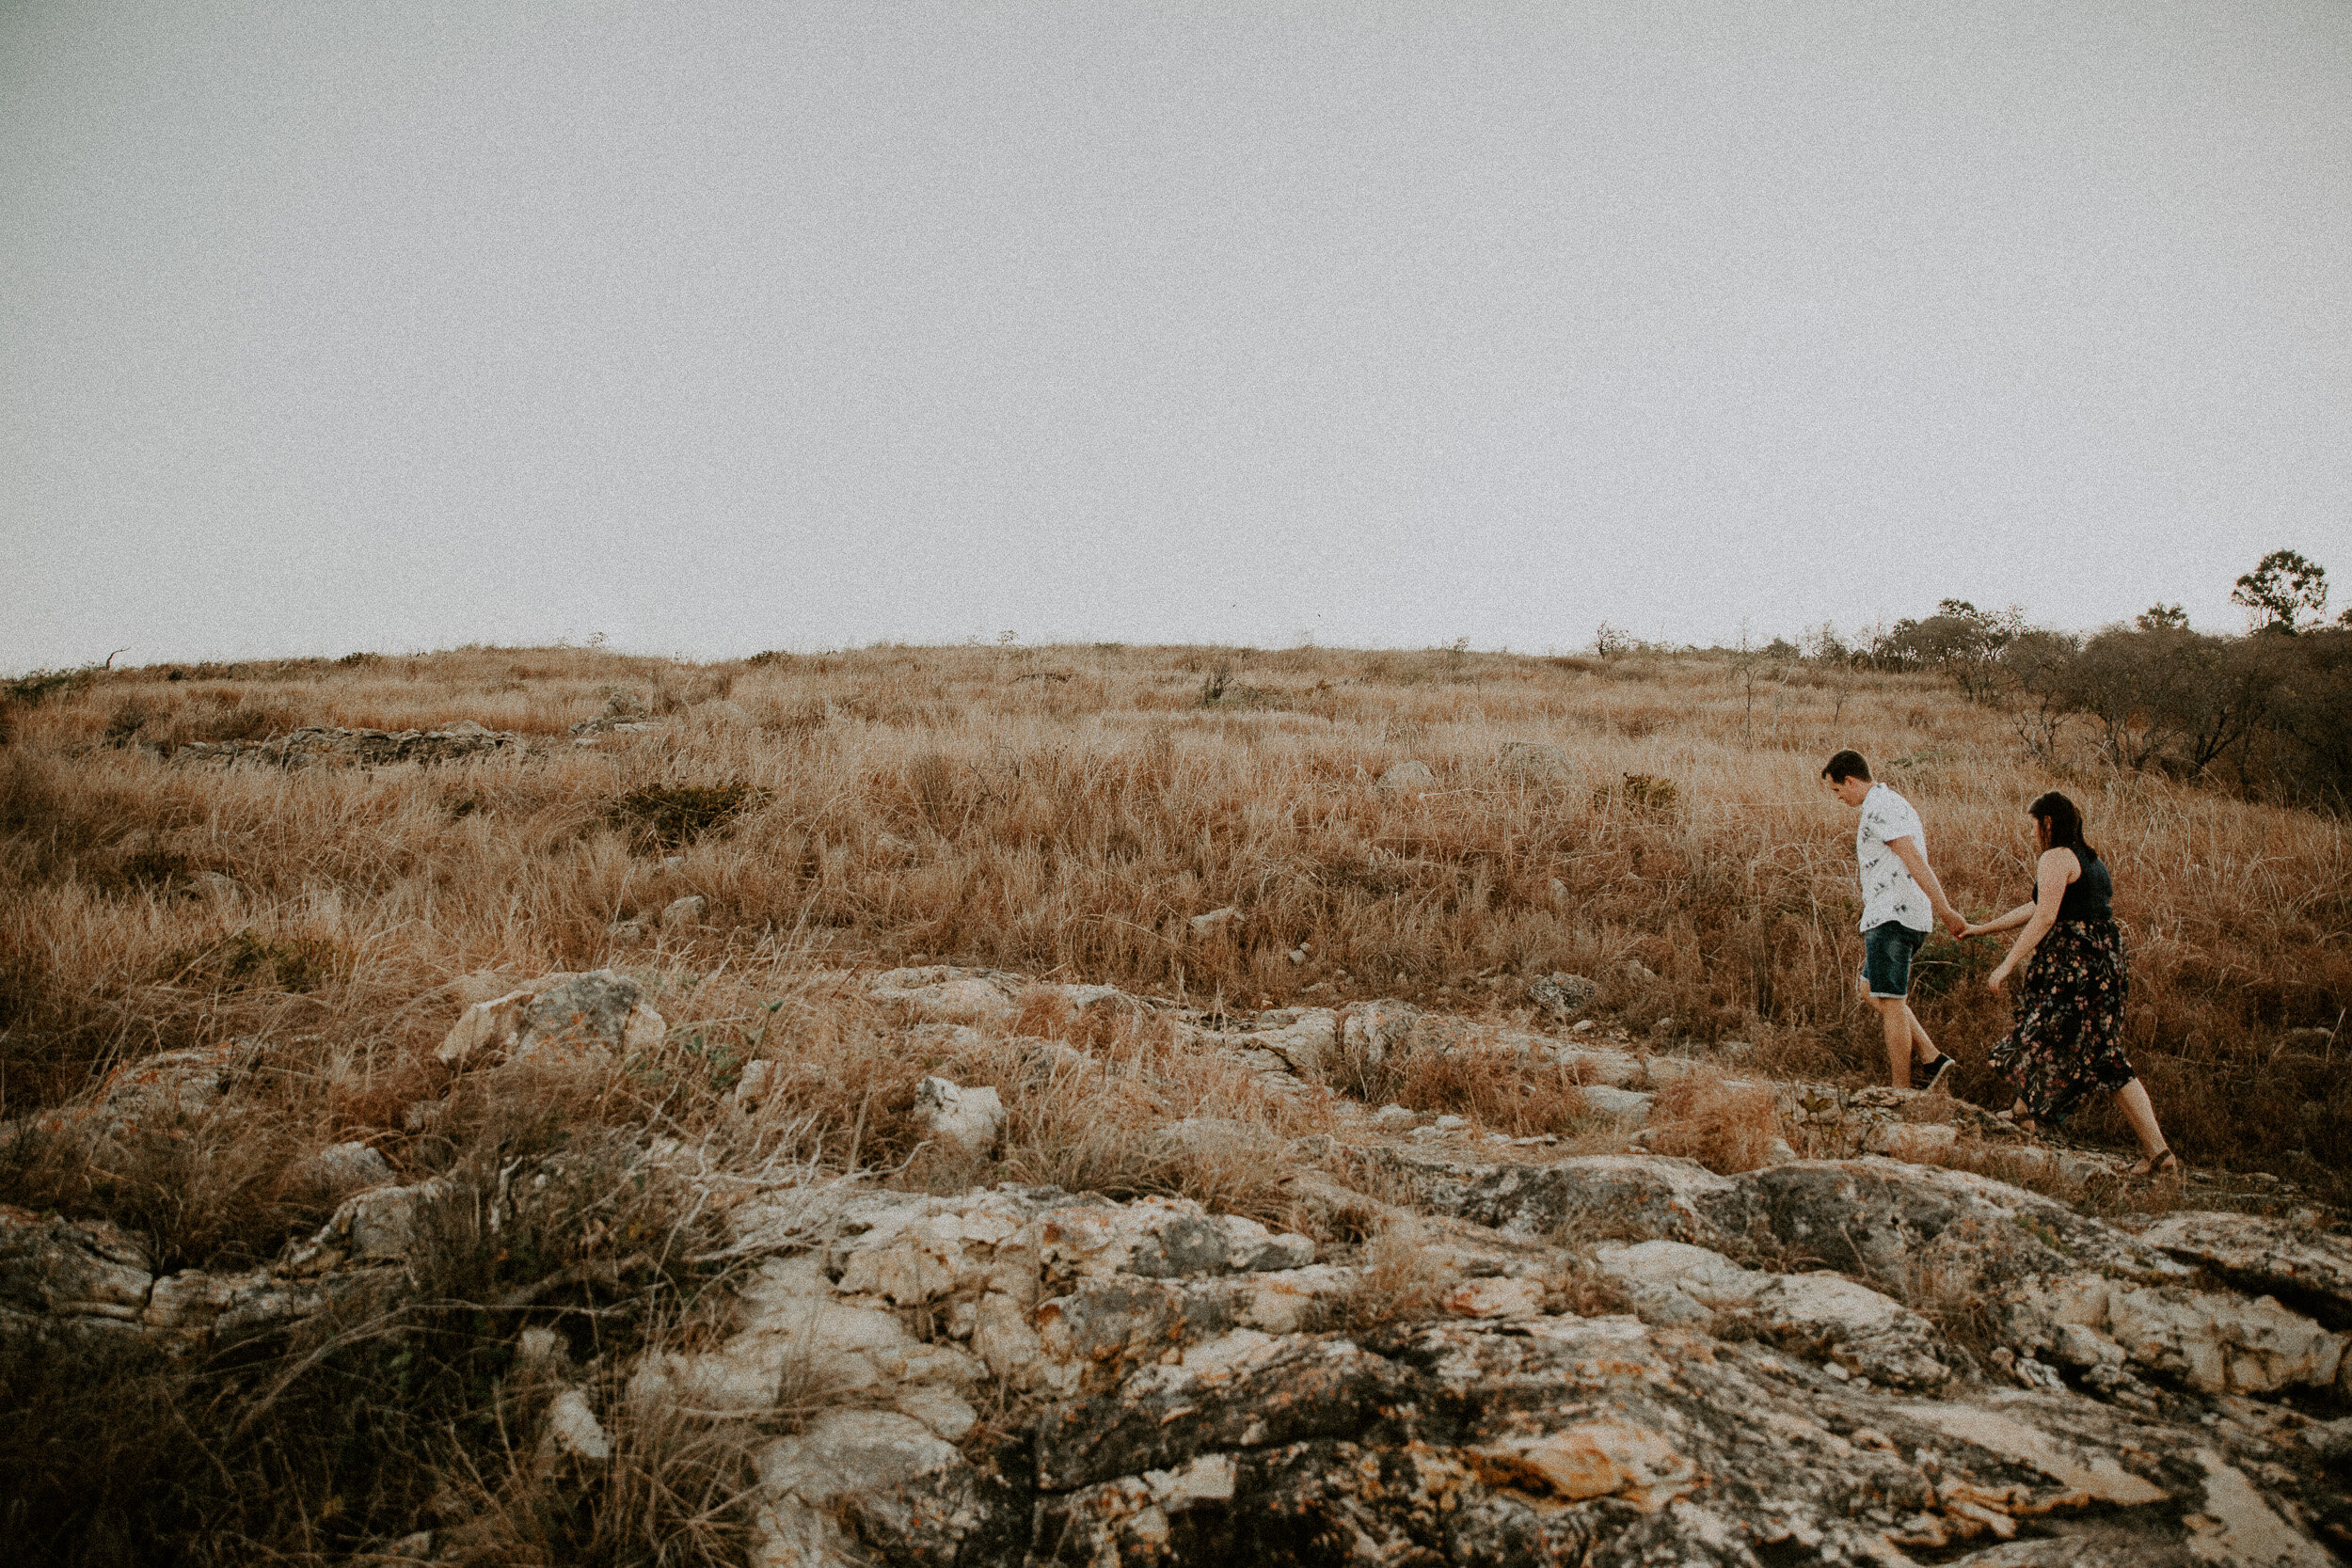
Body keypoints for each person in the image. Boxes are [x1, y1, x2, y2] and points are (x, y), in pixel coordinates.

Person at [1963, 790, 2177, 1176]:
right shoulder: (2088, 858)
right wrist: (1983, 928)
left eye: (2033, 825)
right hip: (2102, 966)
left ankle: (2159, 1155)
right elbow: (2040, 906)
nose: (2032, 834)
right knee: (2055, 1035)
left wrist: (2006, 965)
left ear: (2047, 823)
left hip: (2075, 970)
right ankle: (2024, 1114)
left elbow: (2045, 917)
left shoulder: (2054, 856)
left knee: (2085, 1050)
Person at [1820, 750, 1968, 1090]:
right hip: (1895, 913)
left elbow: (1913, 859)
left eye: (1837, 790)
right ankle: (1932, 1058)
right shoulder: (1889, 802)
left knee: (1891, 1001)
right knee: (1870, 989)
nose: (1838, 798)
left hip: (1894, 914)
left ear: (1851, 781)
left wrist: (1946, 909)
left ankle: (1901, 1090)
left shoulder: (1880, 808)